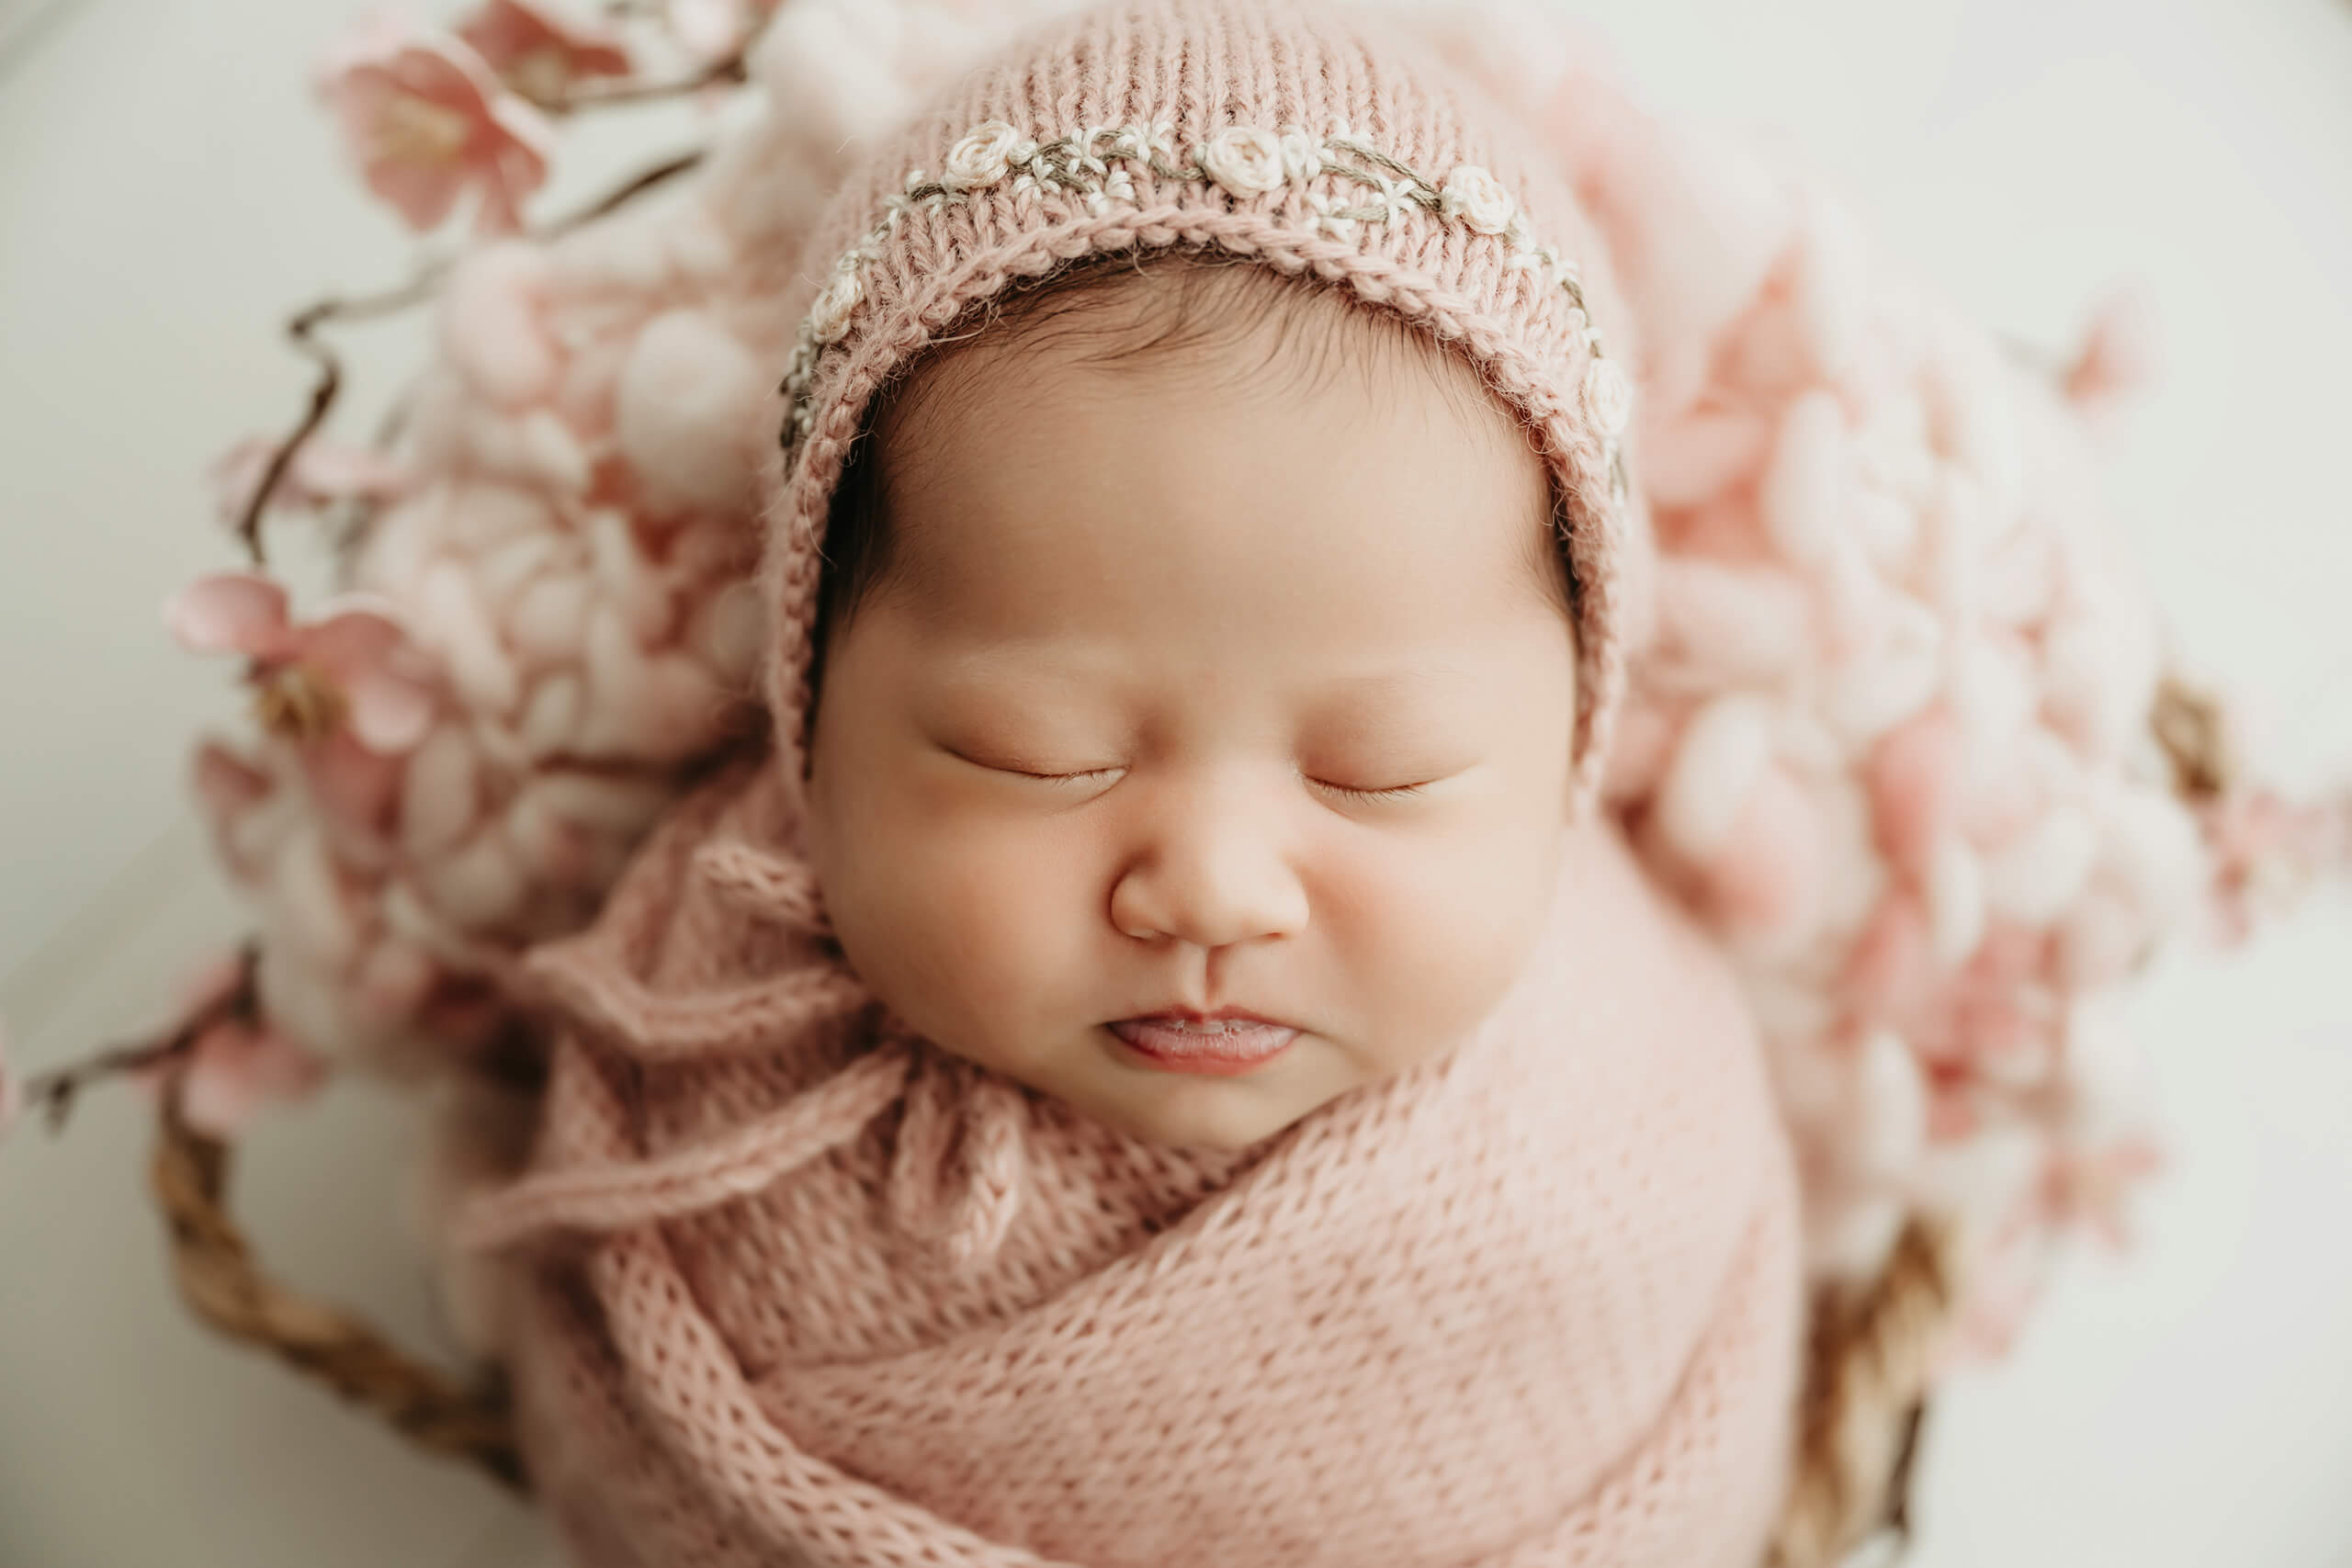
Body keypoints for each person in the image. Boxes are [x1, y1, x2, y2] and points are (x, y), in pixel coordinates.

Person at [447, 2, 1807, 1562]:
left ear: (1575, 741)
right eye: (1042, 755)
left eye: (1381, 773)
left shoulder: (1630, 1122)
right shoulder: (696, 1087)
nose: (1214, 885)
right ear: (807, 701)